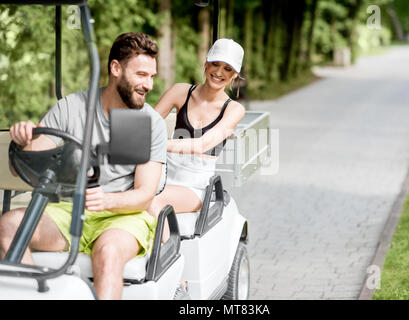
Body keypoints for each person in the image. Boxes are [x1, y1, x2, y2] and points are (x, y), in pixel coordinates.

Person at [0, 32, 167, 300]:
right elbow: (27, 163)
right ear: (116, 69)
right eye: (141, 75)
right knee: (7, 225)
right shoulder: (71, 107)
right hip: (68, 210)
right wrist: (23, 143)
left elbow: (144, 194)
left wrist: (106, 200)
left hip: (122, 217)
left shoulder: (152, 124)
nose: (148, 85)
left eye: (152, 77)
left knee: (108, 252)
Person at [148, 39, 245, 238]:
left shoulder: (234, 109)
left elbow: (203, 144)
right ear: (206, 63)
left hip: (195, 186)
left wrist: (157, 144)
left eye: (227, 69)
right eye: (215, 64)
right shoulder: (180, 91)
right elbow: (149, 126)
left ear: (234, 75)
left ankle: (168, 261)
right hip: (163, 173)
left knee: (151, 201)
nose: (219, 73)